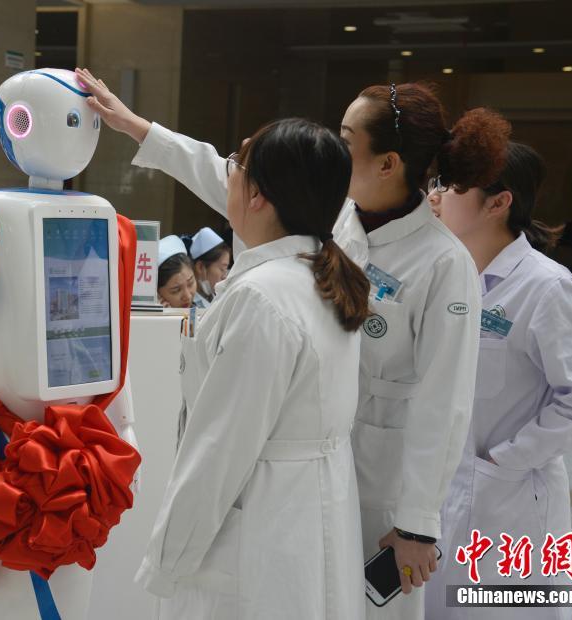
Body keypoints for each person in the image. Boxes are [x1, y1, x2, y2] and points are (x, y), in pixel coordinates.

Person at [76, 67, 485, 619]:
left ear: (388, 164)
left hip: (379, 486)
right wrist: (137, 128)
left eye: (344, 142)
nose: (334, 152)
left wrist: (417, 523)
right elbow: (228, 174)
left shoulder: (442, 264)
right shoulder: (331, 220)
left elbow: (445, 403)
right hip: (311, 467)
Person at [136, 118, 371, 619]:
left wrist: (165, 562)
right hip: (309, 509)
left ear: (260, 194)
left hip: (263, 520)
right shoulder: (318, 275)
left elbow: (219, 450)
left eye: (236, 164)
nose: (227, 174)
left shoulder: (263, 298)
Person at [425, 142, 572, 620]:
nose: (436, 196)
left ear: (498, 202)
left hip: (508, 499)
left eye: (452, 186)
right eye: (437, 182)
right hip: (438, 496)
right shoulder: (446, 275)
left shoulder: (547, 288)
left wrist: (504, 460)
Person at [188, 226, 231, 305]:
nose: (224, 277)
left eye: (226, 270)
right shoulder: (186, 304)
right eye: (222, 269)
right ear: (200, 267)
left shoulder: (217, 298)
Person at [157, 234, 198, 308]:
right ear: (157, 294)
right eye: (176, 290)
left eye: (190, 283)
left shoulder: (202, 315)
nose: (188, 296)